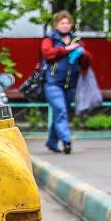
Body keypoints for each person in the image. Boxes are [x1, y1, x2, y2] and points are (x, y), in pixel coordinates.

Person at [40, 10, 85, 154]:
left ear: (71, 24)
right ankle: (66, 141)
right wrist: (66, 49)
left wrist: (83, 53)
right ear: (56, 24)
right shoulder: (50, 39)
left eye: (67, 23)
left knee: (61, 112)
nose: (65, 26)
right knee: (60, 111)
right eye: (62, 23)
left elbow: (86, 61)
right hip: (52, 82)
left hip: (71, 84)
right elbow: (48, 53)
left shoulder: (76, 40)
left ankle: (52, 142)